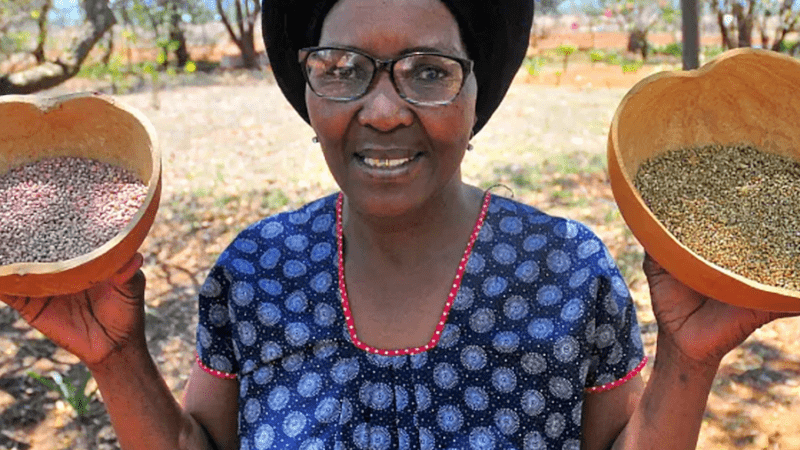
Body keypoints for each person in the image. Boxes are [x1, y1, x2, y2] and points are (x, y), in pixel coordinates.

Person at [0, 0, 795, 449]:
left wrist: (690, 360)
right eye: (341, 70)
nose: (383, 111)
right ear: (308, 96)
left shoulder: (565, 272)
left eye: (428, 72)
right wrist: (116, 356)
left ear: (475, 96)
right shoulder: (256, 271)